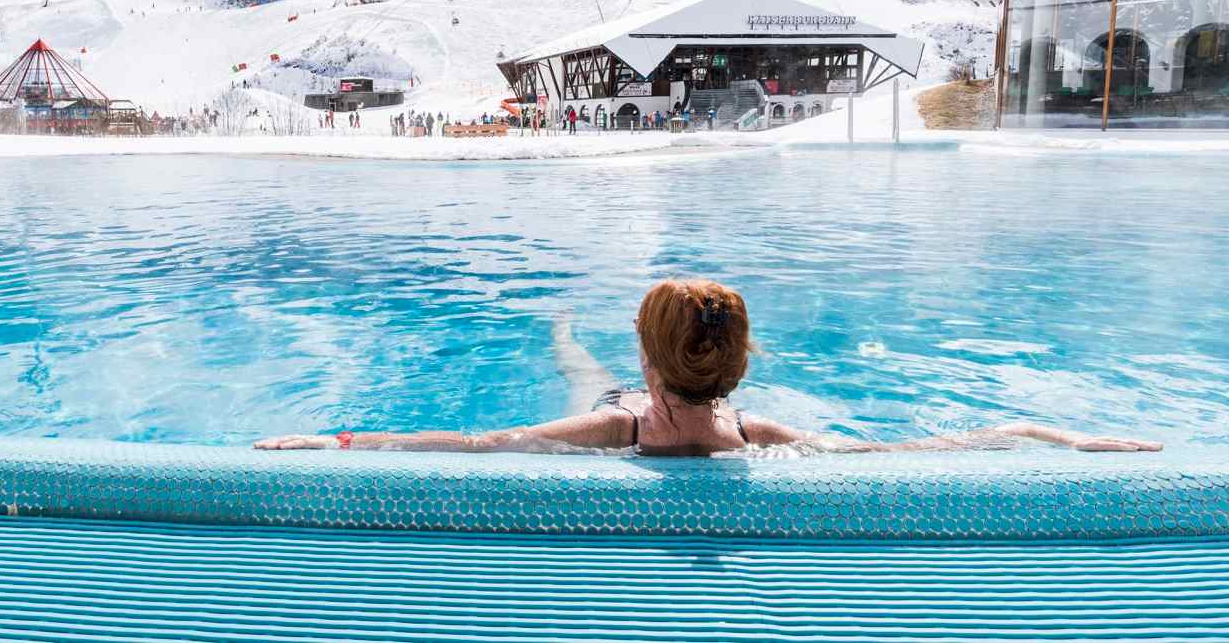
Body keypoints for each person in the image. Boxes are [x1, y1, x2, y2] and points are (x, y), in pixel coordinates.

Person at [256, 279, 1163, 457]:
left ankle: (562, 329)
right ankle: (567, 333)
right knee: (583, 366)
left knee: (577, 368)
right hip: (682, 405)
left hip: (618, 409)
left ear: (653, 368)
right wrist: (1055, 432)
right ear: (732, 371)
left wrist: (335, 439)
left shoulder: (614, 426)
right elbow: (924, 446)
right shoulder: (759, 433)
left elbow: (470, 441)